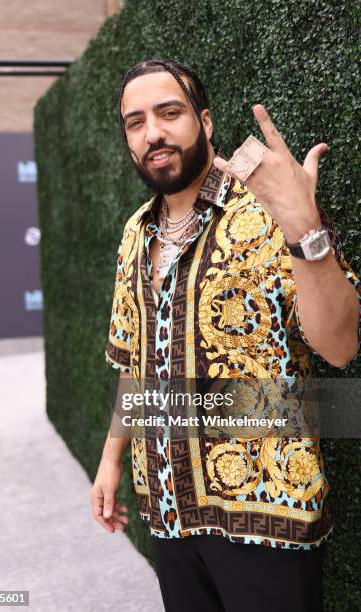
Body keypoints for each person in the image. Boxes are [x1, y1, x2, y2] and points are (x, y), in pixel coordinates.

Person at [91, 59, 360, 612]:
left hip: (268, 521)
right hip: (166, 509)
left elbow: (340, 346)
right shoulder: (135, 231)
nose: (153, 133)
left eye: (169, 113)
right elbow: (131, 358)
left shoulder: (269, 207)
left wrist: (304, 227)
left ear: (205, 122)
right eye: (135, 122)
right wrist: (111, 459)